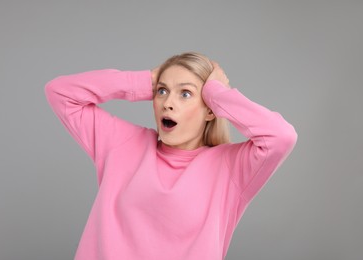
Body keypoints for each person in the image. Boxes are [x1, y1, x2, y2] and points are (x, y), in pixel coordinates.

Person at [45, 52, 297, 260]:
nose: (167, 103)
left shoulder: (230, 168)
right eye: (162, 91)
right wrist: (145, 81)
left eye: (185, 94)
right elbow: (59, 92)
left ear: (209, 110)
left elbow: (281, 136)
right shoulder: (122, 144)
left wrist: (218, 95)